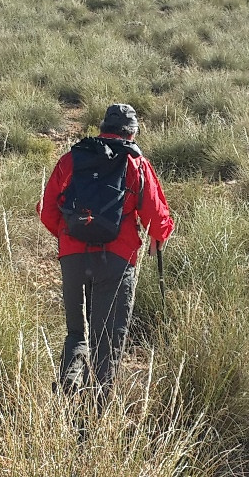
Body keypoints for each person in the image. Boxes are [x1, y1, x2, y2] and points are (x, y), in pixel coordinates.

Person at [37, 104, 175, 400]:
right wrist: (158, 237)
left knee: (77, 332)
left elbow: (47, 211)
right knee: (107, 340)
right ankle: (94, 414)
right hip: (117, 258)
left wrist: (71, 235)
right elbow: (156, 216)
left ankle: (67, 393)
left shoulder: (72, 159)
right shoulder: (136, 163)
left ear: (101, 128)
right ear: (134, 132)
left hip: (73, 257)